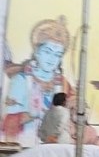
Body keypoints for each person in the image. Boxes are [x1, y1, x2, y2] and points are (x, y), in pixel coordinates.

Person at [2, 16, 73, 145]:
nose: (52, 59)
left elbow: (74, 111)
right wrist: (32, 114)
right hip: (24, 143)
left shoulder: (62, 83)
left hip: (54, 147)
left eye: (57, 55)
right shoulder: (21, 80)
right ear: (37, 52)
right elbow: (9, 121)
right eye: (47, 52)